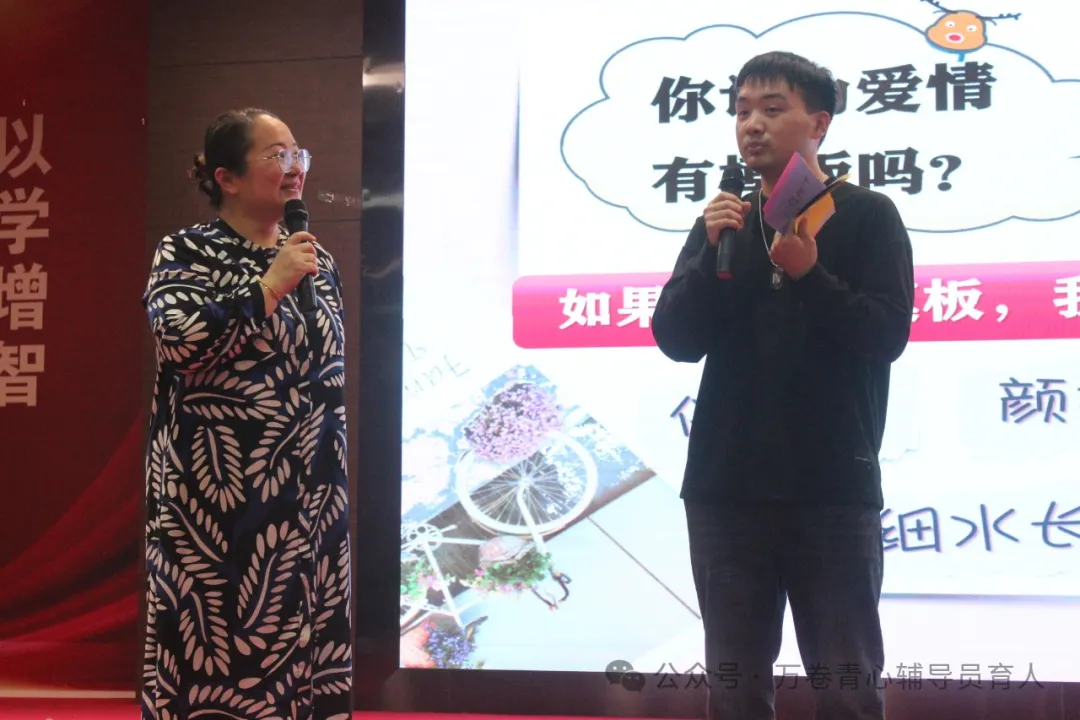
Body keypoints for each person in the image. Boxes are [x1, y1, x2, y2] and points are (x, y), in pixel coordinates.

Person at [651, 52, 915, 720]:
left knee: (847, 684)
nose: (752, 125)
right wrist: (710, 252)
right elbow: (677, 339)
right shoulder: (725, 222)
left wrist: (809, 274)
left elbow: (885, 335)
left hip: (831, 487)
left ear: (818, 123)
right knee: (734, 687)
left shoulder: (867, 215)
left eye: (772, 109)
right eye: (741, 111)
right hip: (726, 489)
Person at [140, 108, 353, 720]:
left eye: (297, 153)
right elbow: (178, 341)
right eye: (276, 155)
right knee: (214, 650)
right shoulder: (186, 250)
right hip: (216, 505)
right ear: (226, 178)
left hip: (312, 500)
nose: (294, 167)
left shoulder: (317, 260)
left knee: (308, 648)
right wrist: (267, 287)